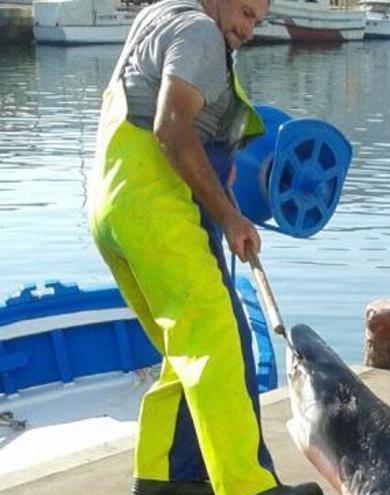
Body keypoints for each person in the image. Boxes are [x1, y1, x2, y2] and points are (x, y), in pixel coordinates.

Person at [87, 0, 323, 493]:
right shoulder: (198, 31)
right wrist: (230, 215)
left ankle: (165, 478)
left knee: (185, 351)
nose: (247, 28)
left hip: (111, 206)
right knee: (216, 342)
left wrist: (222, 160)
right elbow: (171, 129)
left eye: (257, 20)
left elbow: (165, 116)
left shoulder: (160, 15)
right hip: (156, 205)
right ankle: (248, 486)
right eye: (243, 11)